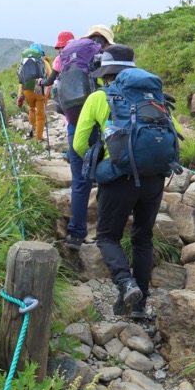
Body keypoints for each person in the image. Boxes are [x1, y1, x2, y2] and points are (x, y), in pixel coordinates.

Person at [72, 44, 182, 319]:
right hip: (154, 178)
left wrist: (99, 163)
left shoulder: (99, 97)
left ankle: (125, 284)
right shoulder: (154, 96)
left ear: (104, 72)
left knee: (108, 236)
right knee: (142, 239)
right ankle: (139, 305)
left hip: (119, 177)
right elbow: (176, 133)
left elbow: (78, 143)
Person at [41, 25, 114, 250]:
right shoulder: (106, 57)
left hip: (75, 123)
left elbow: (56, 87)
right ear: (106, 42)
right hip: (104, 124)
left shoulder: (67, 57)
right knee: (108, 177)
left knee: (79, 181)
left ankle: (76, 234)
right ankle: (107, 234)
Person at [16, 42, 50, 141]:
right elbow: (50, 78)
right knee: (40, 114)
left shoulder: (24, 63)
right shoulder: (44, 63)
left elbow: (21, 80)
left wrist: (20, 95)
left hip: (27, 90)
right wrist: (47, 93)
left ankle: (31, 132)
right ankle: (38, 137)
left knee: (31, 109)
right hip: (40, 90)